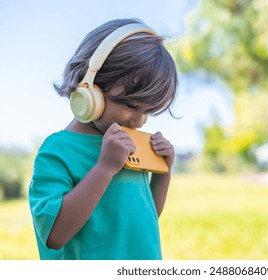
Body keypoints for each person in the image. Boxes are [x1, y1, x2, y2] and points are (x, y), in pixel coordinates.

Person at [29, 18, 178, 260]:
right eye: (131, 105)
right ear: (90, 90)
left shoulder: (128, 143)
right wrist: (105, 168)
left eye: (148, 111)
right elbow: (55, 235)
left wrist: (164, 173)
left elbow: (144, 220)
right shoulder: (57, 151)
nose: (140, 122)